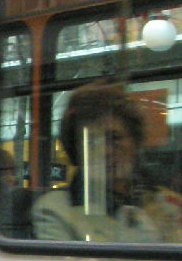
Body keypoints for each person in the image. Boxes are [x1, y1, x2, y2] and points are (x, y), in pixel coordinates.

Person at [32, 82, 159, 243]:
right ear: (77, 151)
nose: (105, 151)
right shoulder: (53, 210)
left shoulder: (152, 207)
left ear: (134, 143)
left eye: (114, 138)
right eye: (92, 141)